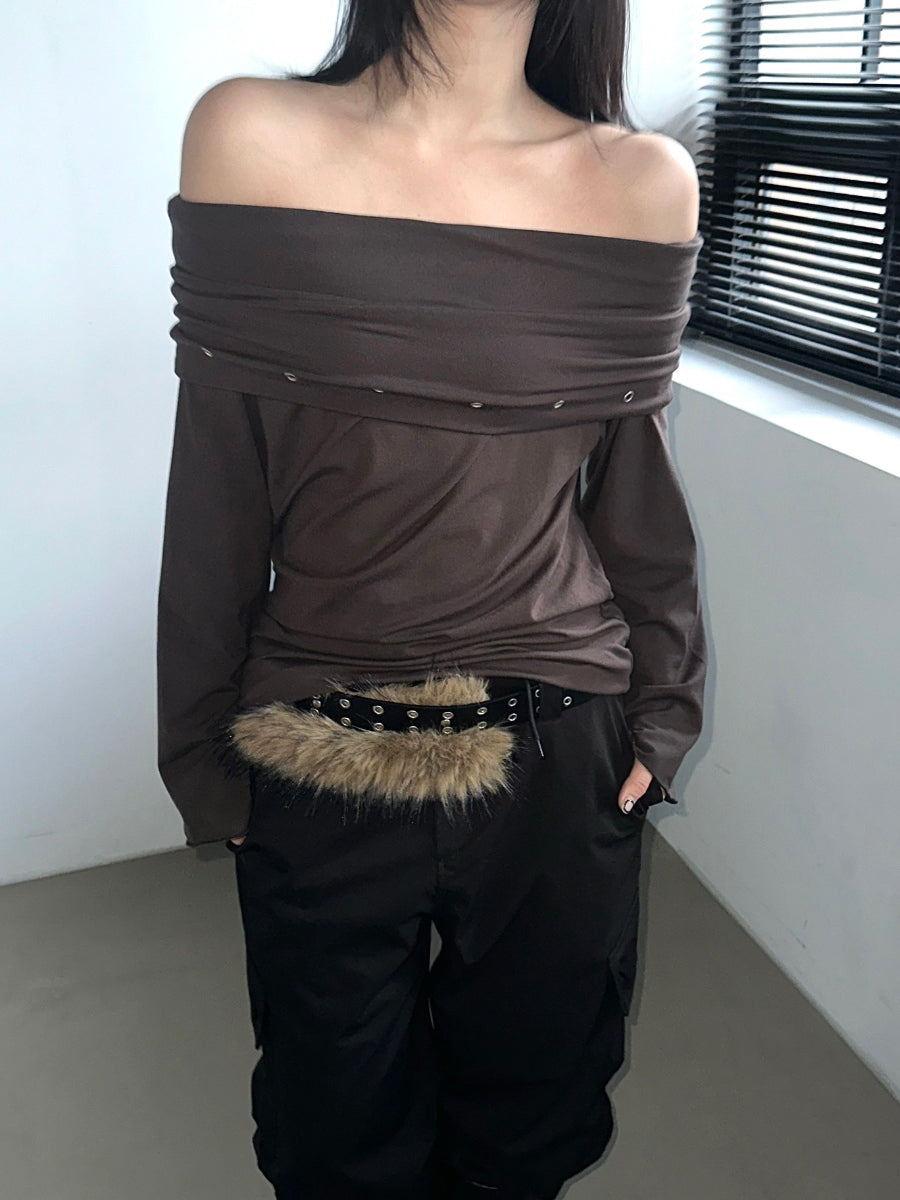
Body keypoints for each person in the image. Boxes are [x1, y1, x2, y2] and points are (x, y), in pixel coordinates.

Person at [156, 2, 707, 1197]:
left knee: (534, 1116)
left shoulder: (641, 184)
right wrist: (197, 752)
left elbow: (638, 505)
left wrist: (666, 715)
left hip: (560, 744)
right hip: (320, 742)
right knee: (333, 1131)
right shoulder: (249, 137)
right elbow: (214, 493)